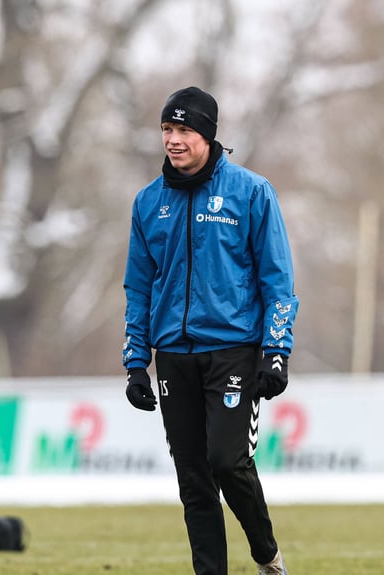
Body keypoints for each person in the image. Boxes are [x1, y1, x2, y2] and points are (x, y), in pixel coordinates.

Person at [123, 86, 298, 575]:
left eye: (183, 130)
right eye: (166, 130)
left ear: (207, 134)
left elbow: (278, 282)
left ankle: (267, 556)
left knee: (226, 461)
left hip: (234, 352)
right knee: (193, 479)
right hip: (172, 356)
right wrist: (136, 361)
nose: (173, 140)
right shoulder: (147, 203)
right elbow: (137, 289)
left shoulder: (251, 192)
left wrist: (275, 351)